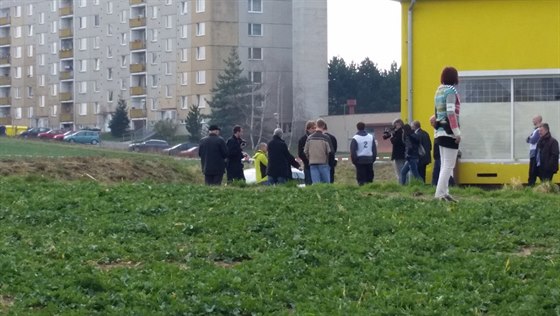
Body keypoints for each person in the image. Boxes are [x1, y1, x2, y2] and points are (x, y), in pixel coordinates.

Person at [434, 66, 461, 202]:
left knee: (444, 164)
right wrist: (457, 132)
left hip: (439, 131)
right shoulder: (451, 91)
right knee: (449, 165)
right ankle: (440, 194)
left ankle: (444, 192)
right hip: (449, 131)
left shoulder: (439, 90)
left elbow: (436, 113)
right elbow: (451, 113)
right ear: (454, 77)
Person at [304, 118, 332, 184]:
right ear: (323, 126)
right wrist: (329, 162)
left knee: (316, 185)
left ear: (316, 126)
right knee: (326, 185)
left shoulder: (309, 138)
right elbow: (330, 152)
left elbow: (305, 151)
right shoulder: (325, 138)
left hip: (312, 164)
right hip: (323, 164)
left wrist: (310, 158)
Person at [383, 118, 406, 183]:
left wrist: (392, 136)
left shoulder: (400, 132)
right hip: (403, 153)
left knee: (400, 170)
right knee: (403, 170)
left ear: (398, 124)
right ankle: (403, 183)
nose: (394, 128)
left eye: (394, 126)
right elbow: (385, 137)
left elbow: (396, 142)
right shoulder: (402, 131)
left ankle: (401, 183)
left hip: (399, 154)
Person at [298, 120, 316, 185]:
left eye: (315, 128)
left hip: (317, 164)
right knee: (309, 184)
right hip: (308, 166)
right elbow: (300, 153)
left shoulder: (318, 138)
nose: (314, 130)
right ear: (308, 129)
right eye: (312, 128)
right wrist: (307, 160)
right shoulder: (302, 140)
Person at [527, 115, 542, 186]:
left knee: (533, 171)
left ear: (538, 120)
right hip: (533, 153)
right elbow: (527, 139)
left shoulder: (539, 130)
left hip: (535, 153)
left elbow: (532, 140)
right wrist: (529, 138)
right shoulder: (535, 130)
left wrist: (530, 138)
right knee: (533, 170)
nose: (532, 120)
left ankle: (531, 184)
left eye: (534, 119)